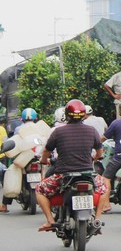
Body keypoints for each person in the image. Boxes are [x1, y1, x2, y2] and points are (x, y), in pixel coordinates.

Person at [34, 99, 107, 232]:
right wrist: (94, 159)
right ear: (84, 115)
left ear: (67, 114)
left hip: (64, 175)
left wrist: (43, 160)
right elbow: (100, 152)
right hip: (87, 174)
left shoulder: (58, 132)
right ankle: (97, 219)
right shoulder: (92, 131)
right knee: (103, 189)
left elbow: (46, 151)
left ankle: (50, 221)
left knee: (39, 189)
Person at [1, 108, 41, 212]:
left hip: (22, 159)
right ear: (36, 118)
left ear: (21, 119)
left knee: (10, 173)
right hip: (38, 159)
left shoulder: (18, 129)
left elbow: (15, 144)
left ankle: (4, 205)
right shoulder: (39, 128)